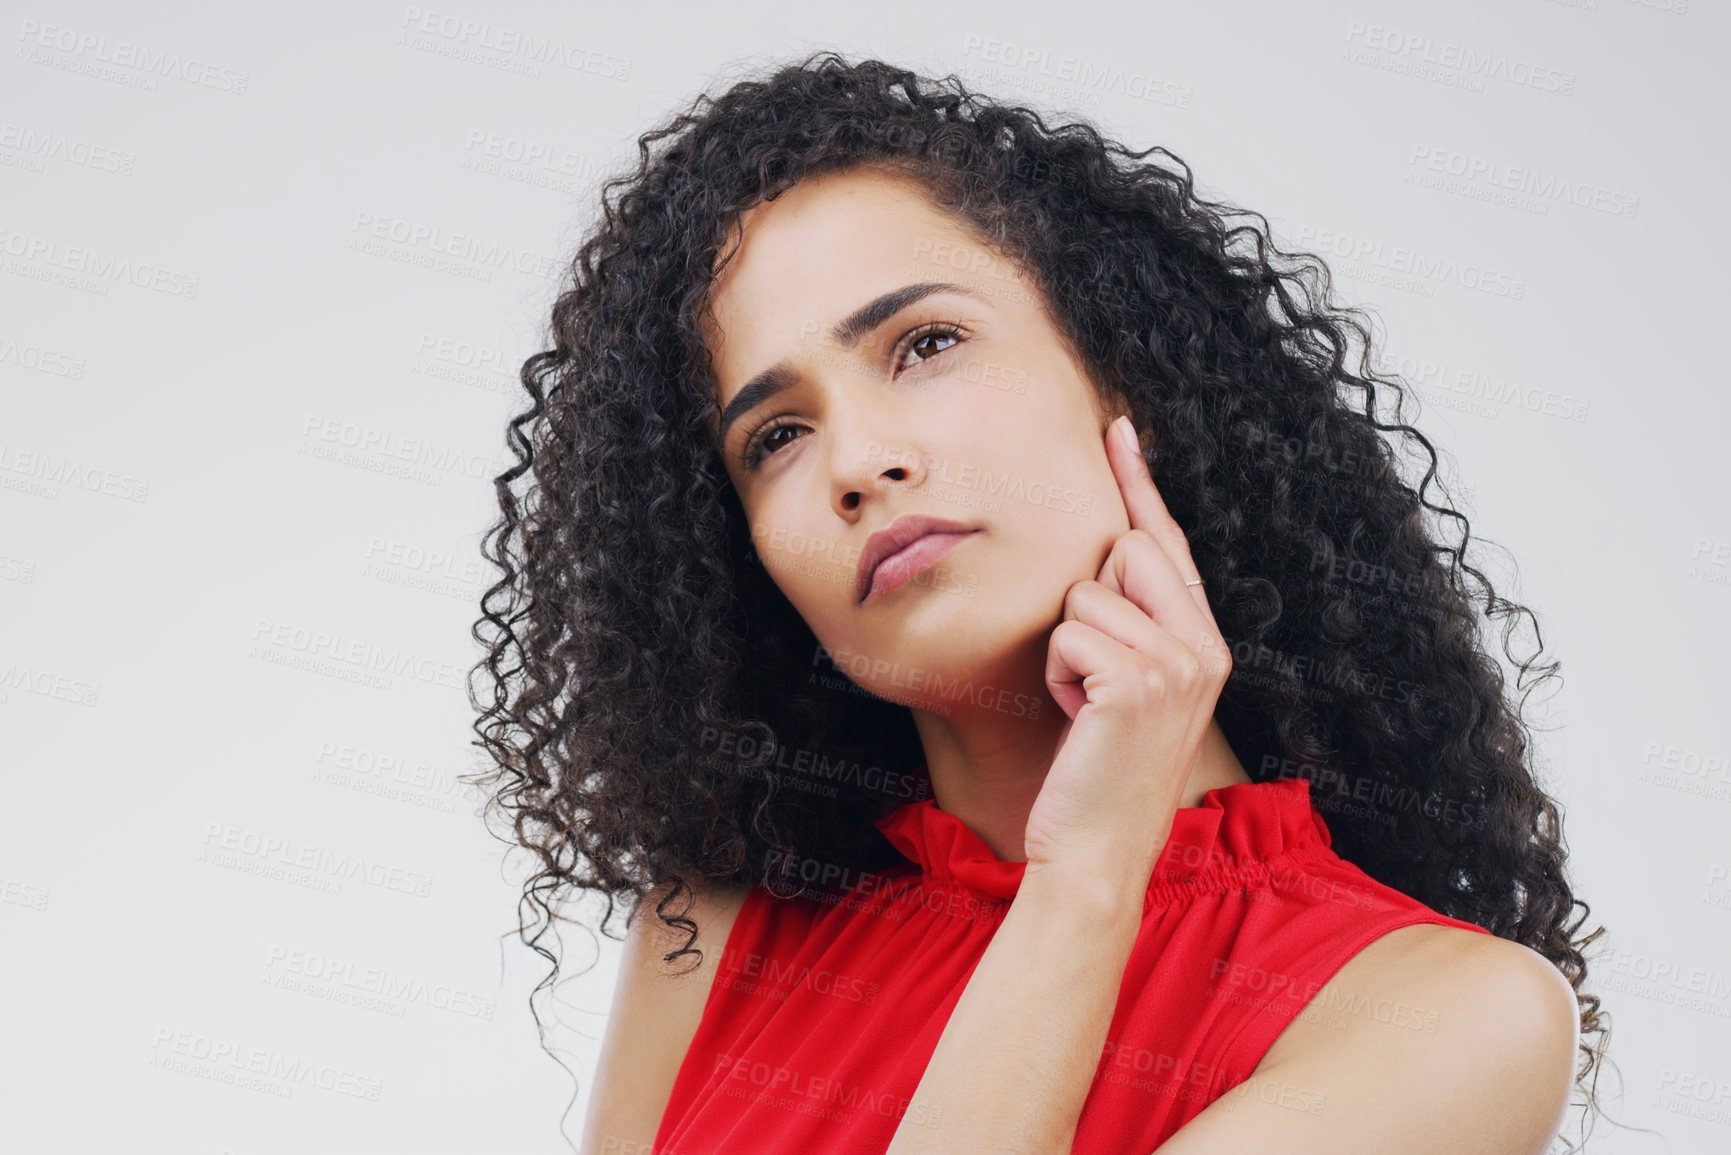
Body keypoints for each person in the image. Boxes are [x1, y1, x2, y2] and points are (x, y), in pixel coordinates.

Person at [468, 51, 1621, 1154]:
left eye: (924, 343)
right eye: (775, 436)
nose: (858, 461)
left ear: (1125, 377)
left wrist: (1085, 877)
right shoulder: (718, 931)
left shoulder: (1453, 1019)